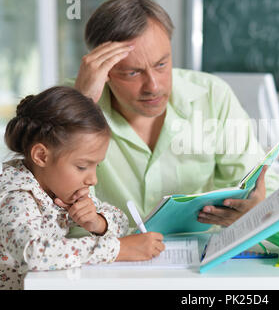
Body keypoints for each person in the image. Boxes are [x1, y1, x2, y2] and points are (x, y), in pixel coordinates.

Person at [70, 0, 279, 234]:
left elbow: (262, 184)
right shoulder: (67, 106)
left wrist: (256, 206)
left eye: (161, 65)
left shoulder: (211, 95)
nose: (154, 86)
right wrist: (80, 106)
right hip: (111, 258)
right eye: (132, 73)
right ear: (103, 69)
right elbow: (53, 211)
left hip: (200, 257)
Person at [0, 87, 165, 290]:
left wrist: (97, 222)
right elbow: (34, 253)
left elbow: (121, 222)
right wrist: (119, 250)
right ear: (42, 156)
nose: (93, 179)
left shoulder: (58, 190)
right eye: (82, 166)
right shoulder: (16, 196)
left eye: (97, 166)